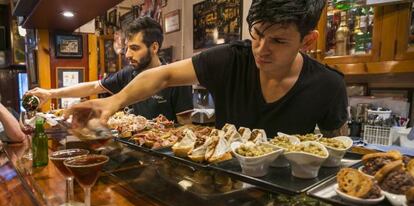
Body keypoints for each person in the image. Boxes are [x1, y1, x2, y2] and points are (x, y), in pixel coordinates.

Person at [68, 0, 348, 137]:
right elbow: (162, 75)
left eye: (278, 40)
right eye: (258, 34)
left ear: (307, 41)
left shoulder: (328, 85)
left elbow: (337, 148)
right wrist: (113, 102)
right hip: (226, 189)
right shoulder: (232, 59)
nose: (262, 48)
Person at [25, 17, 193, 123]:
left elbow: (186, 127)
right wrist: (50, 93)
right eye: (127, 48)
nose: (127, 54)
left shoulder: (176, 79)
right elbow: (92, 87)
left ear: (154, 47)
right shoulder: (129, 73)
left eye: (135, 48)